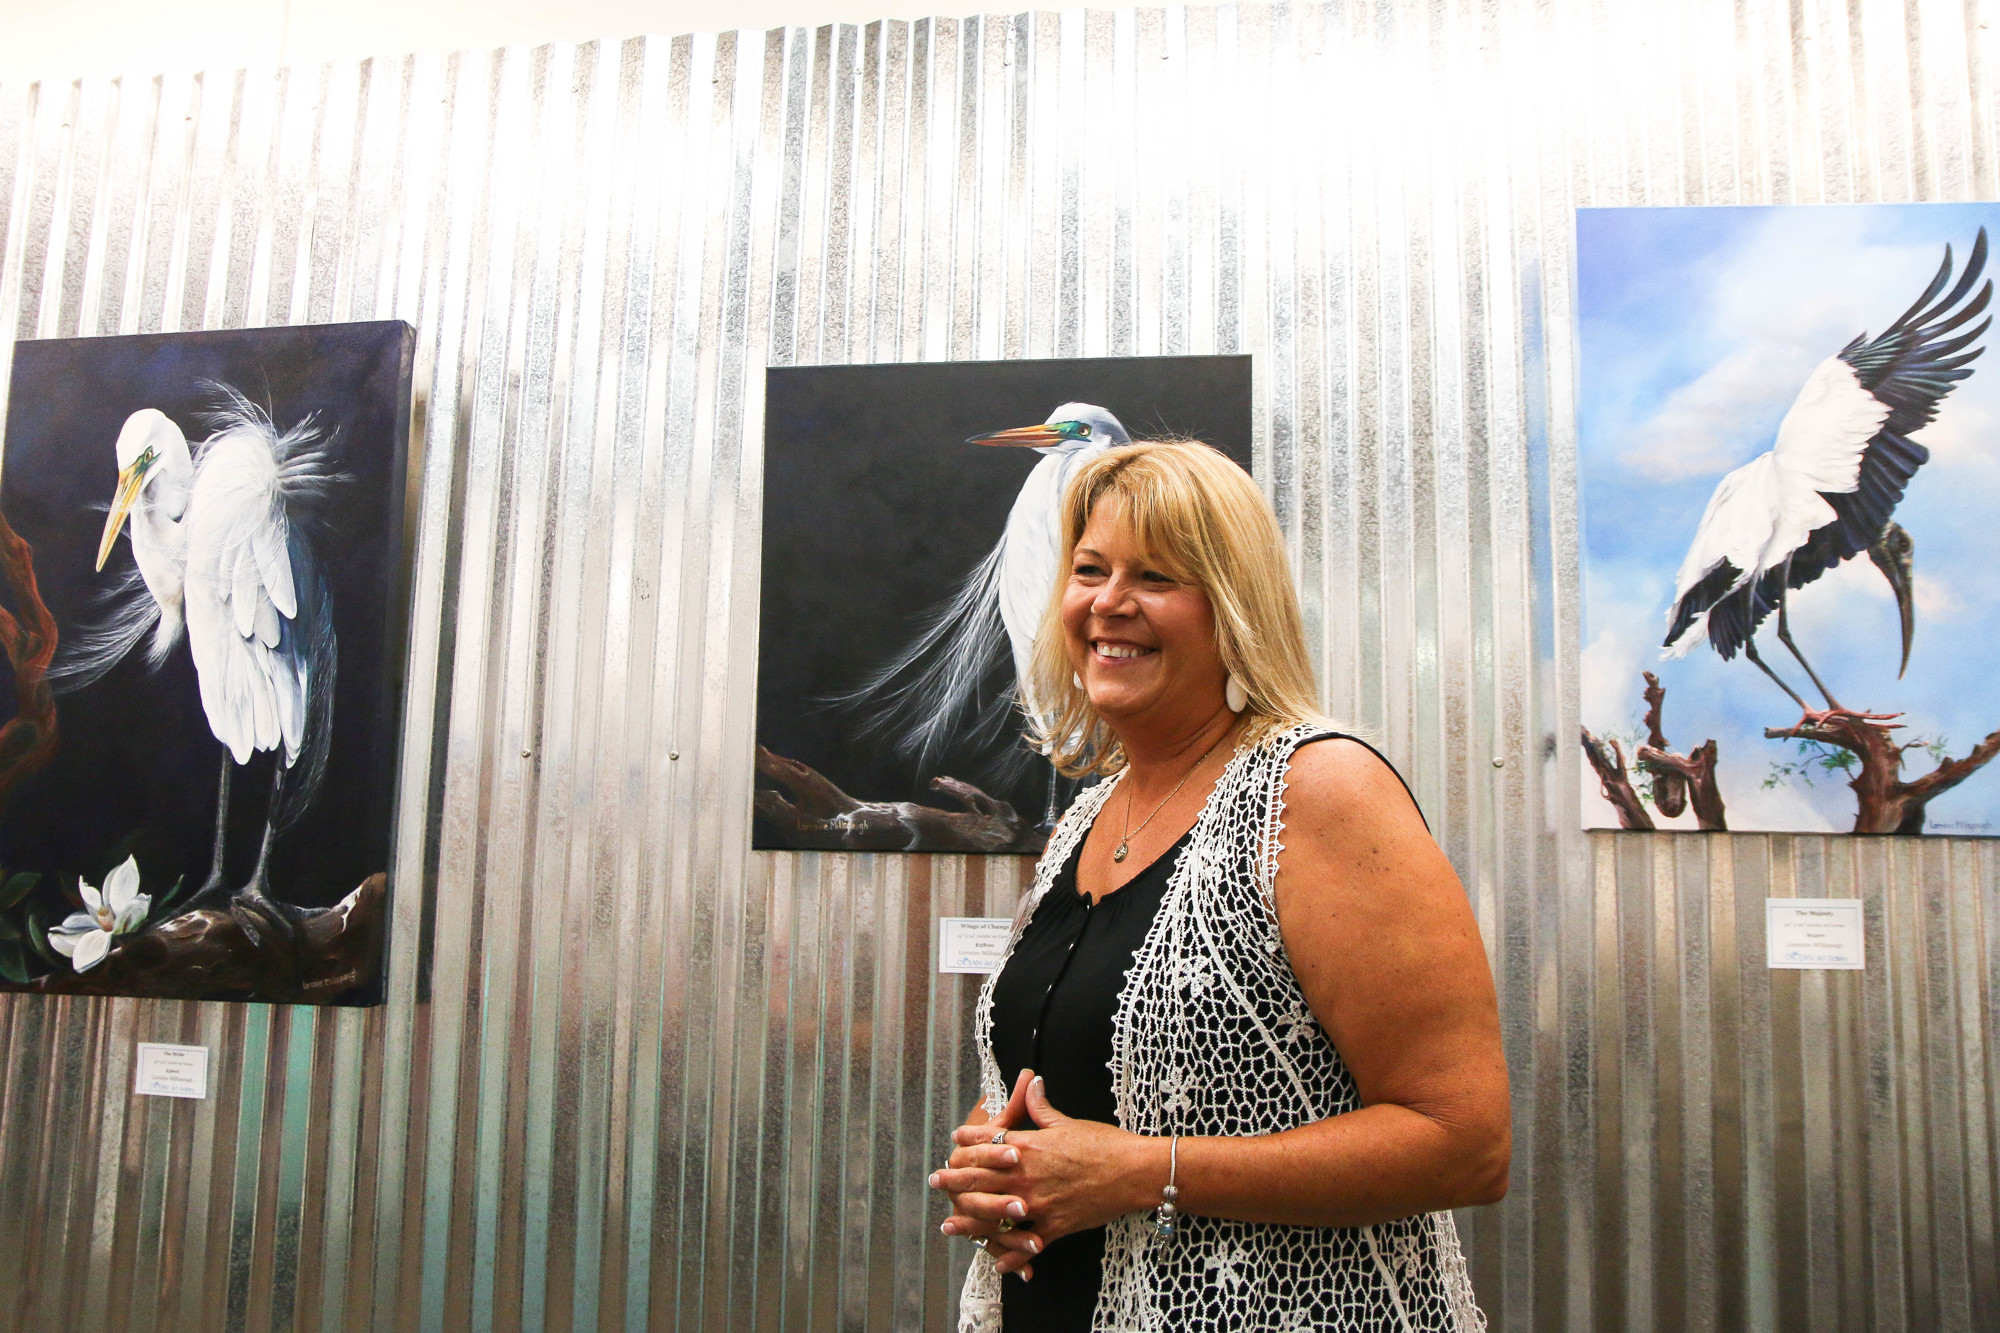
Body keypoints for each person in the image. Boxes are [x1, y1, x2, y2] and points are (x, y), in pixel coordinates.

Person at [926, 440, 1509, 1331]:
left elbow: (1464, 1143)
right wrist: (998, 1162)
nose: (1108, 602)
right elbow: (1079, 1082)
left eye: (1156, 576)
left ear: (1233, 609)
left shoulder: (1316, 789)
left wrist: (1138, 1172)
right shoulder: (1089, 817)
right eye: (1089, 569)